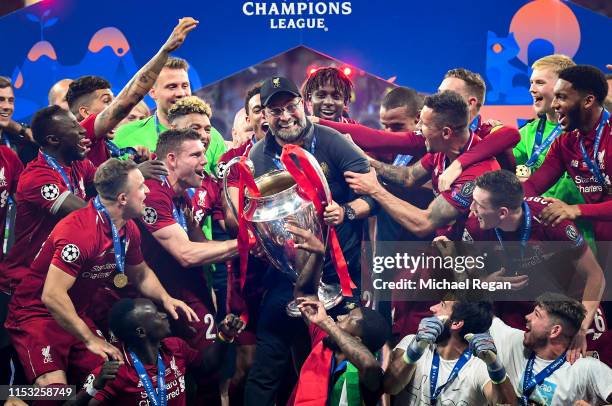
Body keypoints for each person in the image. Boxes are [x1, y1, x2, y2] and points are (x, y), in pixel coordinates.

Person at [5, 158, 197, 388]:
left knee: (111, 382)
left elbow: (140, 274)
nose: (147, 191)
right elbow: (52, 296)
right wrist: (90, 339)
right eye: (141, 187)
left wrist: (166, 298)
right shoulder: (79, 233)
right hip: (37, 315)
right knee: (55, 393)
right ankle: (13, 397)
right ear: (123, 199)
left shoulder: (127, 228)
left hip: (76, 313)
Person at [244, 76, 376, 406]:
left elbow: (373, 197)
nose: (285, 116)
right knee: (269, 367)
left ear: (303, 106)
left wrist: (345, 211)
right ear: (264, 116)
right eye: (275, 111)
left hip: (338, 275)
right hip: (288, 278)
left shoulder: (334, 142)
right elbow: (257, 210)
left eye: (290, 107)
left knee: (333, 367)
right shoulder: (259, 154)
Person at [456, 169, 604, 362]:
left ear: (502, 212)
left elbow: (595, 276)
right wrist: (485, 282)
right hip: (520, 308)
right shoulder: (474, 227)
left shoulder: (552, 222)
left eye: (479, 204)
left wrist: (581, 328)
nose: (471, 208)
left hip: (571, 306)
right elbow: (469, 269)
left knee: (583, 364)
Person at [65, 17, 198, 167]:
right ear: (86, 113)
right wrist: (165, 51)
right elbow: (128, 99)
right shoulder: (85, 134)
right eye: (107, 101)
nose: (115, 105)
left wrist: (137, 167)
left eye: (114, 100)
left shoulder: (107, 144)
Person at [72, 299, 245, 406]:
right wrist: (94, 387)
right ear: (141, 332)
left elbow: (206, 365)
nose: (163, 315)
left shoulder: (175, 347)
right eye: (155, 315)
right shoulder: (118, 370)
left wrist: (224, 336)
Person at [0, 106, 96, 295]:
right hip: (24, 286)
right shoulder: (36, 177)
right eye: (74, 126)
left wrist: (135, 173)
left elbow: (108, 182)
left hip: (57, 282)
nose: (83, 130)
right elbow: (87, 215)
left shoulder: (80, 164)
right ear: (53, 140)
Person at [522, 65, 611, 241]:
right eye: (555, 96)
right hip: (602, 239)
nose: (554, 104)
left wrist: (575, 209)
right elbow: (533, 186)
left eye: (561, 97)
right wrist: (501, 201)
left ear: (588, 101)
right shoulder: (565, 142)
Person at [384, 300, 516, 405]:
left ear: (456, 323)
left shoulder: (479, 367)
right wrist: (412, 353)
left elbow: (506, 403)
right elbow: (389, 387)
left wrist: (496, 368)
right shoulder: (412, 343)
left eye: (442, 305)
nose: (432, 308)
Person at [489, 293, 612, 405]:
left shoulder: (585, 369)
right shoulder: (515, 342)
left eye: (536, 314)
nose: (527, 317)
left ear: (555, 331)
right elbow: (481, 314)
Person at [112, 56, 226, 176]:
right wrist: (136, 172)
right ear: (153, 92)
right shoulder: (125, 135)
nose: (181, 93)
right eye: (172, 87)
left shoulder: (211, 136)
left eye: (185, 86)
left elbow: (229, 181)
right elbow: (109, 184)